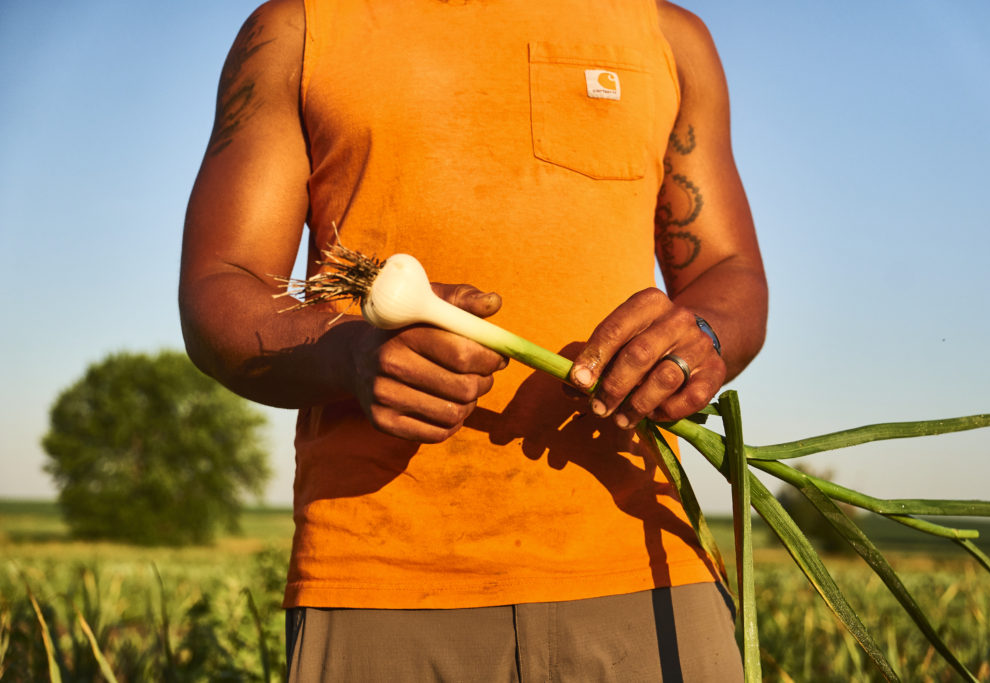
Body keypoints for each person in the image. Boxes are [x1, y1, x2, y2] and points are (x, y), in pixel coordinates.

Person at [179, 0, 767, 679]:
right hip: (380, 584)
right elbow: (221, 282)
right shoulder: (298, 30)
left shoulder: (670, 38)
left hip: (652, 565)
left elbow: (730, 273)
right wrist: (348, 354)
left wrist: (702, 333)